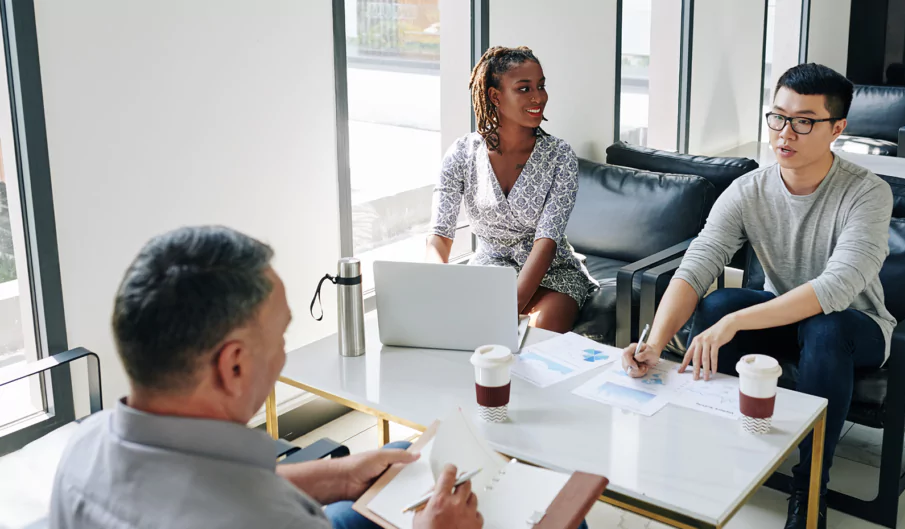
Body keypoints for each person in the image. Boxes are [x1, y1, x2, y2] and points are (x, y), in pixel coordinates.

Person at [49, 226, 482, 529]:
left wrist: (339, 476)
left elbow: (203, 480)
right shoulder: (263, 520)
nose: (283, 353)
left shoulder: (83, 447)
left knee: (400, 451)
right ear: (233, 366)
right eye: (281, 335)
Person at [621, 64, 895, 529]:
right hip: (783, 319)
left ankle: (810, 488)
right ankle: (733, 452)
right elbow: (698, 264)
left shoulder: (867, 193)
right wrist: (654, 341)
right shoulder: (749, 189)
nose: (785, 133)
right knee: (716, 305)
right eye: (778, 117)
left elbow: (836, 289)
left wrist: (737, 324)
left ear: (837, 128)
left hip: (856, 326)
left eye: (804, 121)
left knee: (821, 325)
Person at [425, 46, 597, 333]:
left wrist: (508, 307)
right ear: (495, 96)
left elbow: (547, 242)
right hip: (489, 270)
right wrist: (437, 284)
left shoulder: (560, 156)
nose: (538, 97)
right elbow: (439, 235)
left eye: (541, 86)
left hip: (551, 274)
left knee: (538, 338)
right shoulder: (462, 153)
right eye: (524, 88)